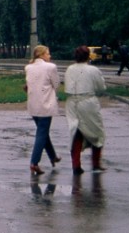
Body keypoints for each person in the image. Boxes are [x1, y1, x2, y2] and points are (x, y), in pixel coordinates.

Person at [65, 44, 107, 174]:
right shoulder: (93, 70)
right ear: (88, 56)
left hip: (71, 102)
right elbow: (101, 88)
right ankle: (96, 164)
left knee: (76, 132)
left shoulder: (69, 69)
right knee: (97, 132)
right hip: (88, 101)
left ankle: (76, 165)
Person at [25, 44, 61, 176]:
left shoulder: (28, 67)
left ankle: (53, 157)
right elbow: (56, 84)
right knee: (41, 134)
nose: (49, 56)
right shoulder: (51, 67)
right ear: (41, 55)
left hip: (33, 105)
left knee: (43, 132)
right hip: (46, 105)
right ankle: (34, 163)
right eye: (48, 53)